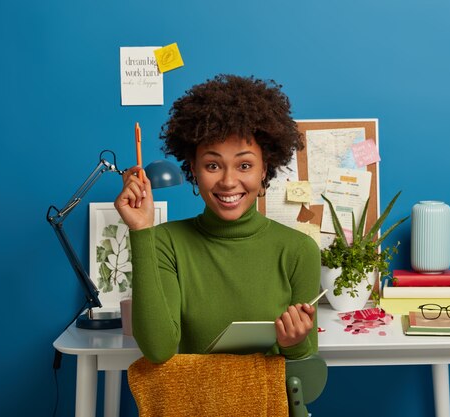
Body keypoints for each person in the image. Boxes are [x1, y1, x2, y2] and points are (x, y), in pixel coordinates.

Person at [115, 74, 321, 364]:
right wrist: (141, 230)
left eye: (244, 165)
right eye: (212, 165)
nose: (228, 181)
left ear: (265, 169)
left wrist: (294, 342)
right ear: (194, 170)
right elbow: (158, 350)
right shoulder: (164, 242)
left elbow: (304, 360)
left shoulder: (299, 250)